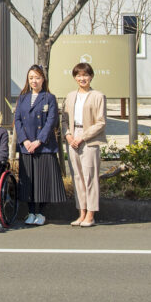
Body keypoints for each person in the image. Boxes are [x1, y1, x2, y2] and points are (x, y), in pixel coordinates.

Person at [14, 64, 67, 226]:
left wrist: (38, 141)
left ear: (43, 79)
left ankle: (41, 212)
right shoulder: (22, 98)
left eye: (37, 77)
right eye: (31, 78)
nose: (34, 81)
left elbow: (51, 121)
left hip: (43, 146)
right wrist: (25, 140)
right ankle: (30, 212)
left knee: (43, 181)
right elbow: (17, 120)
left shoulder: (49, 98)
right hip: (26, 146)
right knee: (28, 181)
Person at [61, 62, 107, 227]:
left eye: (85, 75)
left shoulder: (98, 96)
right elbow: (64, 119)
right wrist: (68, 135)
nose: (82, 78)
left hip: (89, 140)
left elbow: (101, 122)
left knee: (90, 177)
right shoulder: (71, 96)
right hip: (72, 138)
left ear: (91, 76)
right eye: (79, 75)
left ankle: (91, 214)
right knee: (77, 177)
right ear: (75, 77)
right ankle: (81, 212)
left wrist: (82, 138)